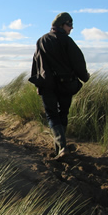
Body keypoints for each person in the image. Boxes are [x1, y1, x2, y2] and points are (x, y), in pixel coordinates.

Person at [30, 12, 90, 159]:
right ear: (62, 25)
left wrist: (38, 83)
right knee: (62, 114)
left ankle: (60, 148)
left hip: (48, 85)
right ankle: (62, 148)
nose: (71, 29)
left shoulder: (41, 41)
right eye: (69, 25)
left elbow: (37, 64)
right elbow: (78, 62)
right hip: (66, 85)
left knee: (52, 115)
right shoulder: (67, 41)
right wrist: (85, 76)